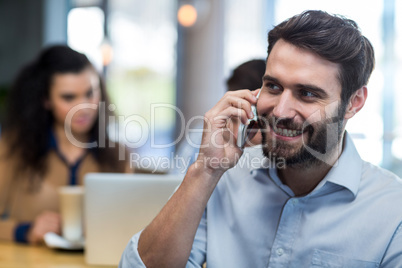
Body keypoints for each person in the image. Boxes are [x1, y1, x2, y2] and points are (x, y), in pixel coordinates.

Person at [120, 10, 402, 267]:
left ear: (354, 102)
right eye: (273, 86)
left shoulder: (392, 212)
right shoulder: (221, 179)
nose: (280, 111)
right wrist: (205, 170)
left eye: (307, 93)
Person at [0, 45, 131, 245]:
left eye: (90, 93)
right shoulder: (13, 149)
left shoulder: (118, 155)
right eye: (69, 97)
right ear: (46, 100)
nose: (84, 107)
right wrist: (24, 231)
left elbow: (133, 226)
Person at [173, 59, 266, 173]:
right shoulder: (202, 134)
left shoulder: (271, 149)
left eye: (250, 123)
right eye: (233, 119)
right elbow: (175, 182)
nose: (236, 133)